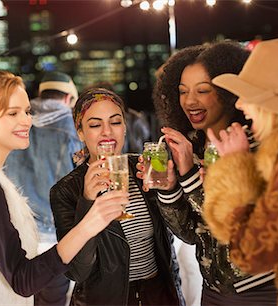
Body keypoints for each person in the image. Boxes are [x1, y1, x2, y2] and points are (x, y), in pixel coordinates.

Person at [0, 71, 127, 305]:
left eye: (27, 111)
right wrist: (90, 223)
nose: (26, 120)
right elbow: (23, 281)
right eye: (13, 113)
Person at [138, 41, 278, 305]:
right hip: (212, 290)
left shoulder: (257, 145)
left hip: (260, 289)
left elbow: (238, 226)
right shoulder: (192, 146)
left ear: (229, 91)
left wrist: (190, 176)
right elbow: (192, 233)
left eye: (203, 90)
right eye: (182, 92)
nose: (190, 101)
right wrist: (169, 189)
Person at [202, 39, 278, 306]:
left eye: (247, 94)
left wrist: (234, 171)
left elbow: (251, 253)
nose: (240, 105)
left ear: (272, 102)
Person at [50, 87, 184, 306]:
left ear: (124, 127)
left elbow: (183, 233)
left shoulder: (144, 170)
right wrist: (87, 200)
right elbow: (77, 271)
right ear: (80, 132)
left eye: (115, 122)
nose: (107, 131)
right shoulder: (66, 191)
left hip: (159, 294)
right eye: (94, 124)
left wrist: (169, 190)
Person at [5, 71, 81, 305]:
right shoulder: (72, 128)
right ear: (68, 98)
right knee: (53, 299)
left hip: (17, 230)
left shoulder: (17, 122)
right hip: (53, 234)